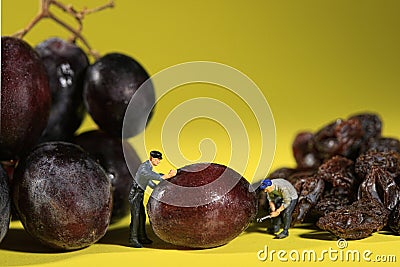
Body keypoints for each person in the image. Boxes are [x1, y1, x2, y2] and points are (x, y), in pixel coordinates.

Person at [128, 150, 177, 248]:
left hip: (139, 195)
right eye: (157, 159)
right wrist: (166, 176)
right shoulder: (144, 168)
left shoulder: (148, 167)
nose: (158, 162)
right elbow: (150, 175)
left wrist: (155, 187)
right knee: (136, 217)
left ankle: (142, 236)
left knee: (142, 216)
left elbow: (148, 180)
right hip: (135, 195)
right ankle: (133, 239)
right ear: (151, 158)